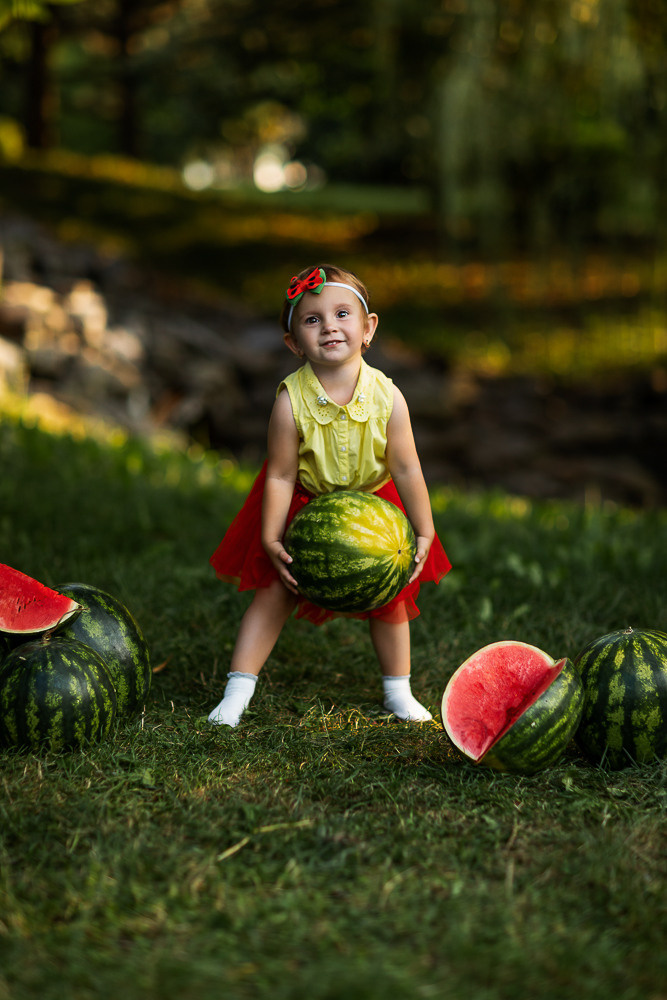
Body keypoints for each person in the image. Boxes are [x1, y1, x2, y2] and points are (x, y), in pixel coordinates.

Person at [208, 263, 451, 727]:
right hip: (303, 503)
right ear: (293, 342)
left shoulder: (388, 398)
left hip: (374, 507)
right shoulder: (289, 402)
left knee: (390, 597)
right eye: (312, 319)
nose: (330, 326)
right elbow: (279, 475)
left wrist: (424, 527)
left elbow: (406, 466)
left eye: (342, 313)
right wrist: (271, 537)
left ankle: (397, 691)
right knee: (275, 591)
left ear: (368, 329)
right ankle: (236, 691)